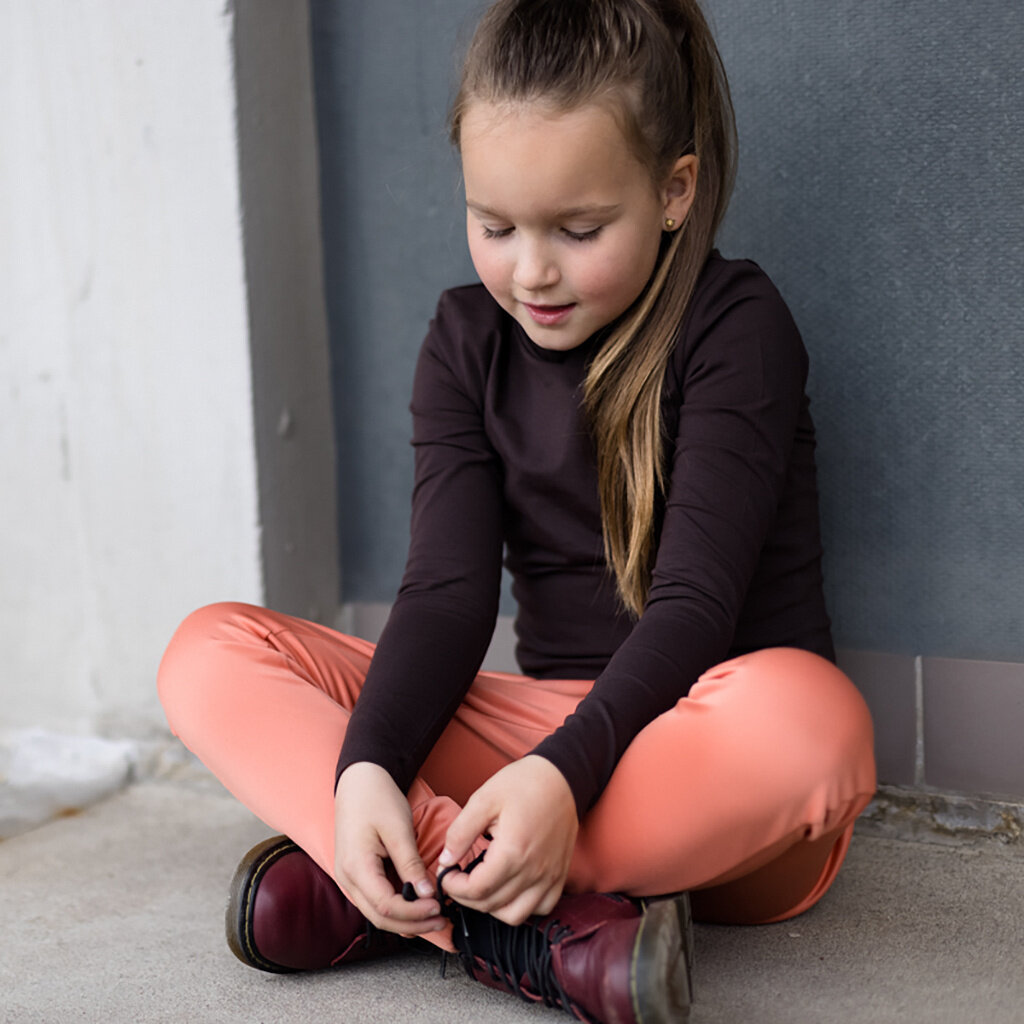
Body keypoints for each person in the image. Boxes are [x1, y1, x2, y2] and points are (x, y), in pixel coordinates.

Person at [157, 1, 876, 1020]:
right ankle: (510, 918)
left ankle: (395, 889)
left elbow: (695, 606)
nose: (529, 270)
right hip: (533, 756)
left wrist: (561, 778)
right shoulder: (463, 341)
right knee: (205, 651)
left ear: (674, 190)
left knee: (819, 721)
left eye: (577, 231)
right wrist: (365, 767)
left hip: (690, 764)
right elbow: (446, 595)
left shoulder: (737, 325)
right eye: (493, 226)